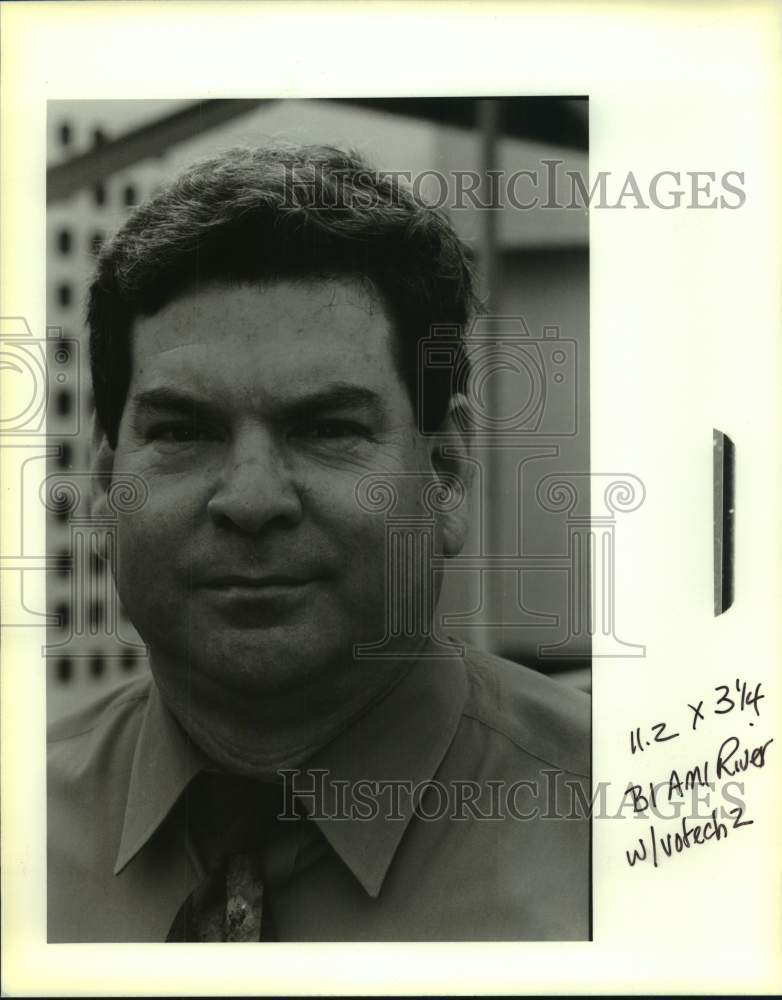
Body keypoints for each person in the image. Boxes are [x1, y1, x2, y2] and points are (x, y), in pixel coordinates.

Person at [47, 143, 590, 942]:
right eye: (183, 431)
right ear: (105, 490)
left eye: (327, 427)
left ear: (444, 473)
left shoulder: (642, 845)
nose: (252, 499)